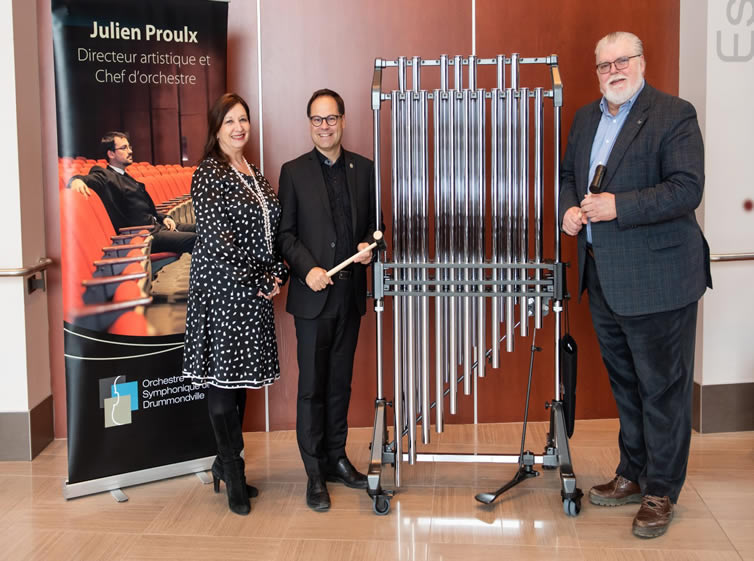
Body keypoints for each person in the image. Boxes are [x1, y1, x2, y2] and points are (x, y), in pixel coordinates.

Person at [559, 31, 712, 538]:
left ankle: (660, 490)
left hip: (660, 278)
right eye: (604, 65)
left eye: (622, 61)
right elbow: (568, 176)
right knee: (626, 384)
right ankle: (632, 472)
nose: (614, 71)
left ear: (642, 63)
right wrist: (568, 209)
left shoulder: (674, 114)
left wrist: (617, 206)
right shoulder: (586, 118)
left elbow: (686, 189)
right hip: (603, 276)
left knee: (663, 389)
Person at [182, 93, 288, 515]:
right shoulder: (208, 173)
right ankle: (233, 471)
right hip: (223, 290)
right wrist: (261, 277)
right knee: (222, 384)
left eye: (243, 119)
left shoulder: (251, 170)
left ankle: (223, 462)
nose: (239, 127)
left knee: (238, 380)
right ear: (216, 128)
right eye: (229, 121)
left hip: (253, 292)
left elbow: (269, 230)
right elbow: (219, 242)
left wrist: (277, 272)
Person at [277, 88, 377, 512]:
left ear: (343, 121)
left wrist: (369, 246)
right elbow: (285, 235)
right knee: (312, 389)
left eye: (331, 118)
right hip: (312, 298)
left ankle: (337, 458)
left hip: (348, 296)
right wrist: (308, 269)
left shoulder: (364, 169)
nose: (325, 126)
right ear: (309, 124)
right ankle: (314, 472)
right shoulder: (293, 171)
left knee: (340, 385)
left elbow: (375, 227)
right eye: (317, 119)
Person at [69, 131, 196, 254]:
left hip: (158, 226)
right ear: (111, 154)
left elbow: (144, 210)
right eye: (124, 148)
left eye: (129, 147)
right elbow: (85, 179)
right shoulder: (105, 175)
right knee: (196, 240)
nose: (130, 151)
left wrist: (164, 218)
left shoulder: (125, 176)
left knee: (203, 229)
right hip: (145, 236)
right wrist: (76, 180)